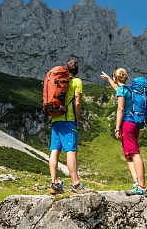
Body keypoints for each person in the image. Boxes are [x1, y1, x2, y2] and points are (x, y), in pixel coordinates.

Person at [101, 69, 147, 196]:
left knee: (134, 153)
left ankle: (142, 186)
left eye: (113, 77)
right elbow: (116, 87)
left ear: (116, 77)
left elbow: (121, 109)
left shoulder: (121, 91)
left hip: (127, 124)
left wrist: (117, 128)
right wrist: (108, 79)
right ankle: (136, 182)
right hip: (135, 124)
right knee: (129, 155)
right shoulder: (128, 89)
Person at [48, 60, 90, 195]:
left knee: (55, 151)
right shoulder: (77, 82)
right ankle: (76, 184)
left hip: (55, 119)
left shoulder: (59, 80)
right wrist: (77, 119)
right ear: (77, 70)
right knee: (71, 151)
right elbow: (77, 103)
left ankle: (54, 184)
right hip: (68, 120)